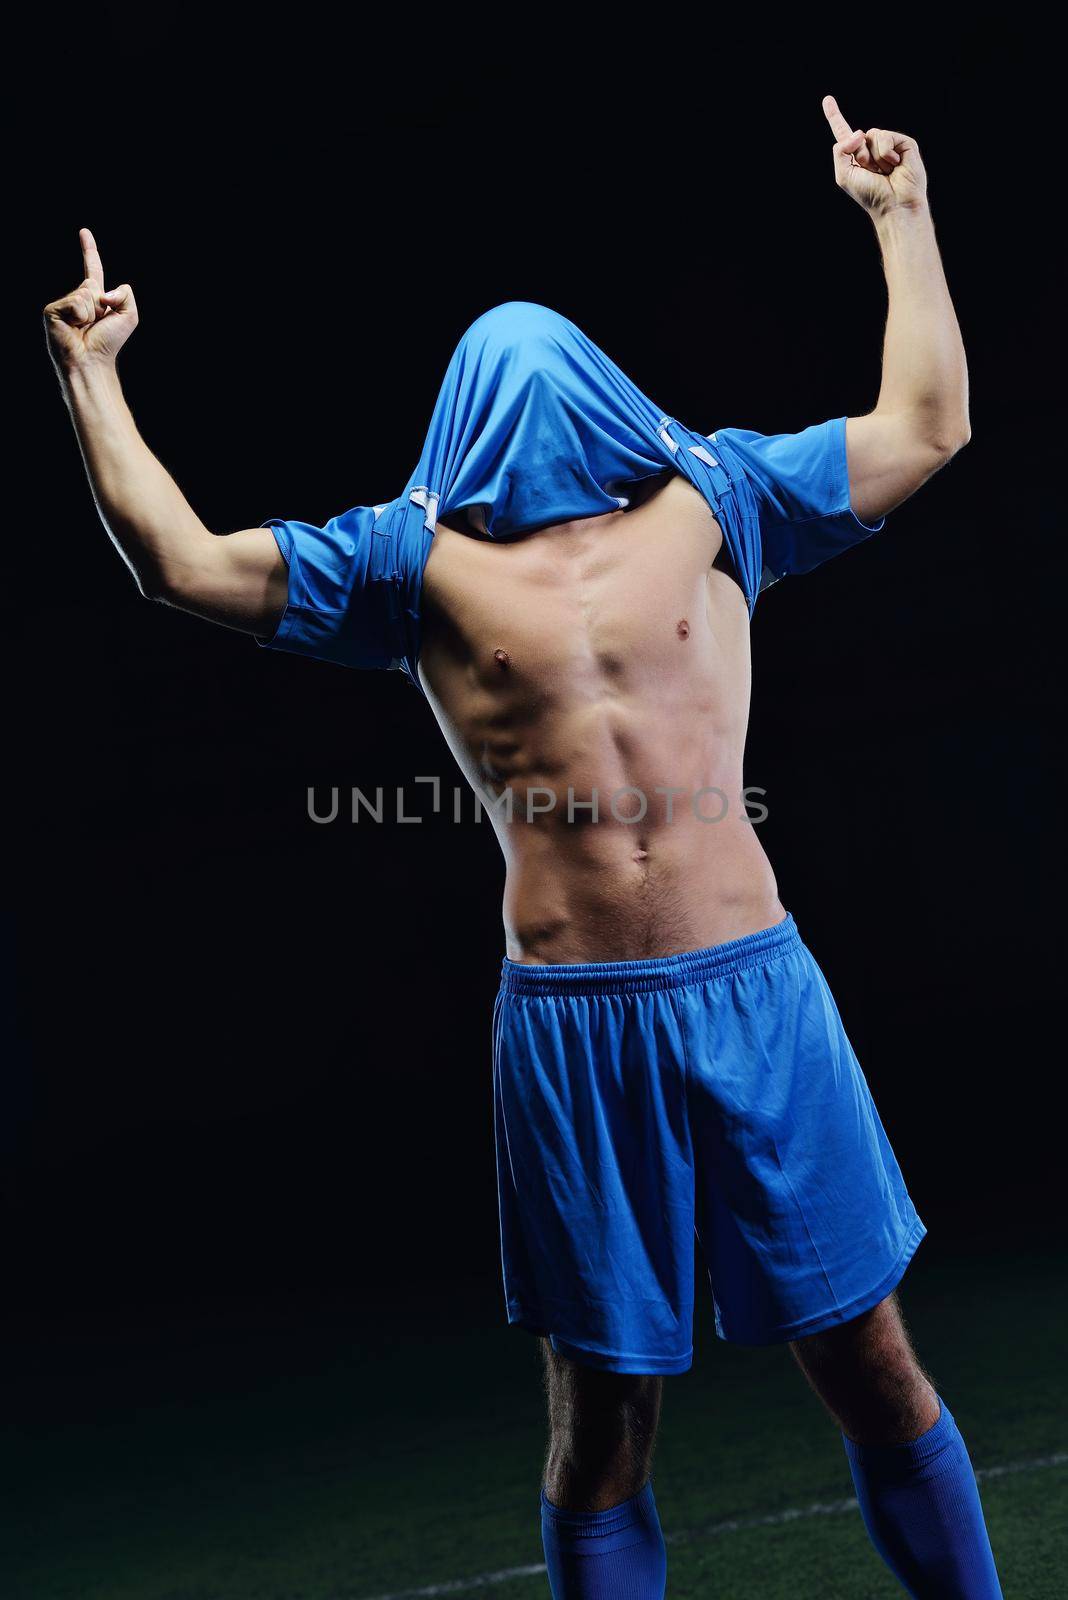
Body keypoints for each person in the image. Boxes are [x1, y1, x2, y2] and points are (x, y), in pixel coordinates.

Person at [44, 95, 1001, 1599]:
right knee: (605, 1422)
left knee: (874, 1363)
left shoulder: (720, 500)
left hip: (756, 991)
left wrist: (901, 216)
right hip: (572, 1031)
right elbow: (178, 562)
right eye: (506, 371)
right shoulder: (410, 568)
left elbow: (928, 425)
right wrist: (89, 376)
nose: (532, 387)